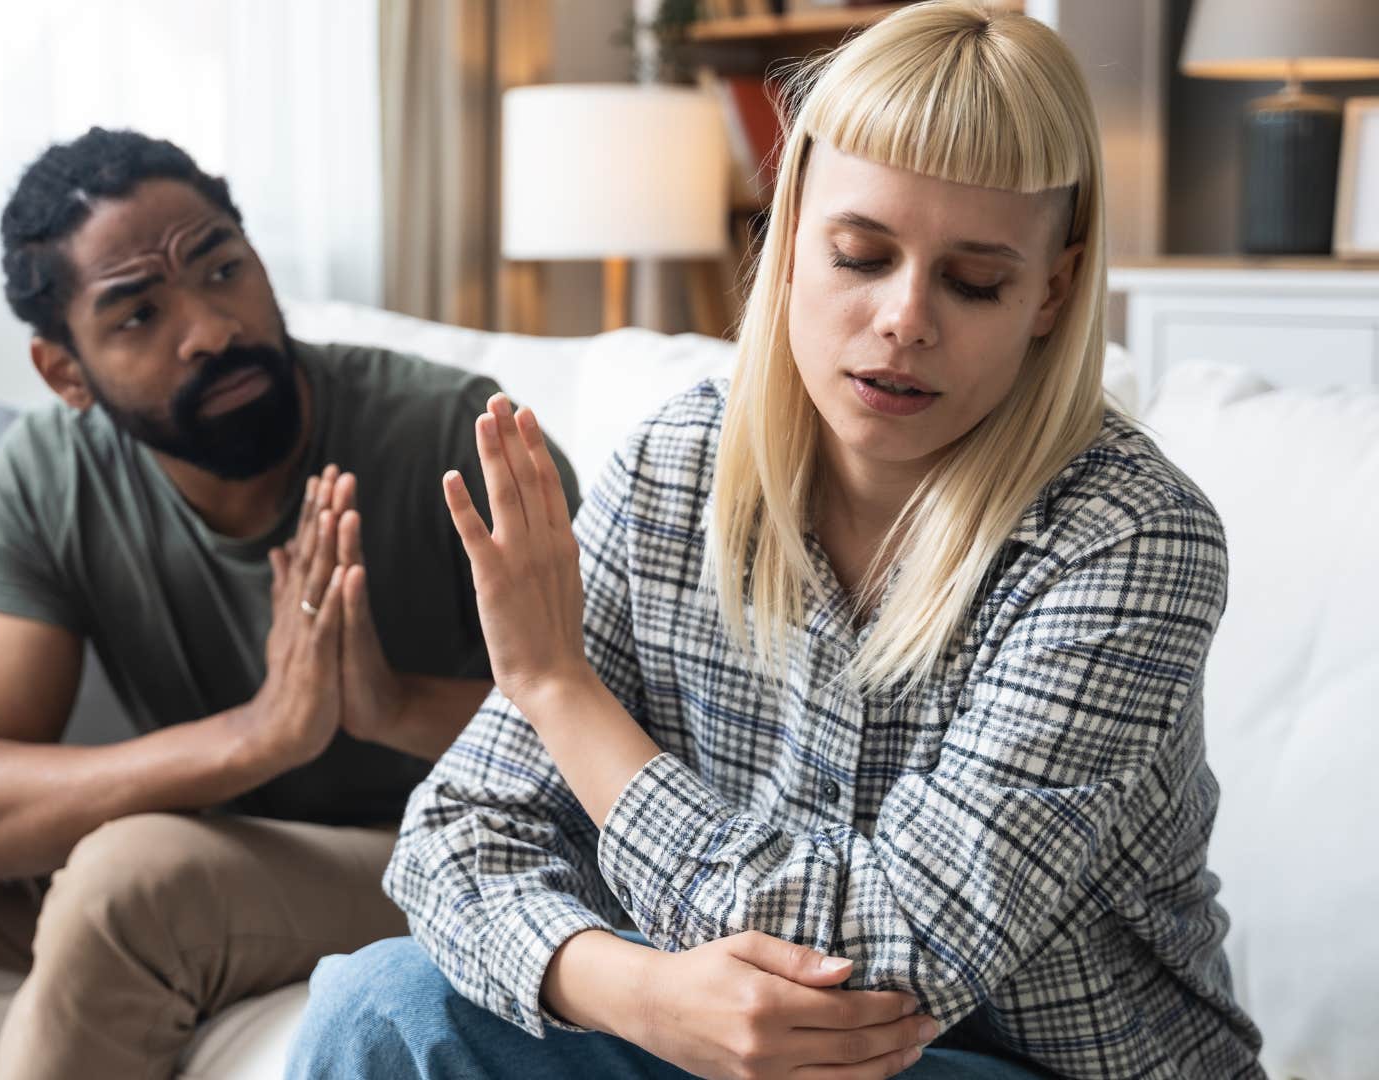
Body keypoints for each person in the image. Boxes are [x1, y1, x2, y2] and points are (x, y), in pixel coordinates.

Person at [289, 3, 1265, 1078]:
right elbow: (458, 837)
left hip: (1035, 1069)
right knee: (382, 1003)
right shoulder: (678, 468)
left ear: (1054, 292)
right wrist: (636, 991)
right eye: (861, 254)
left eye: (974, 280)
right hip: (723, 1039)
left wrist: (565, 694)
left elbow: (888, 959)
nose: (904, 319)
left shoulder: (1129, 542)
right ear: (789, 229)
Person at [0, 127, 579, 1080]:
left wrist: (389, 706)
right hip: (225, 848)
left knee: (133, 874)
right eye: (138, 316)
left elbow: (637, 738)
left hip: (439, 852)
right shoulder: (55, 476)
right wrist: (258, 736)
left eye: (223, 269)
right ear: (65, 373)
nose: (212, 329)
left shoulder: (458, 437)